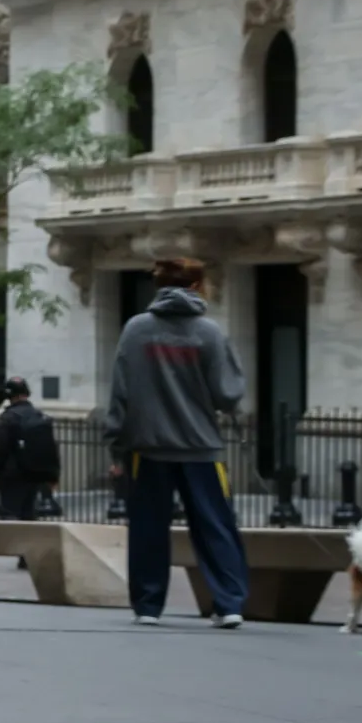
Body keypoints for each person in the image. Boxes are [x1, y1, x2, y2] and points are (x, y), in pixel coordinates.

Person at [105, 257, 250, 628]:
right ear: (199, 286)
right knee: (215, 526)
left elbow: (121, 392)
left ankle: (149, 607)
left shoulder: (136, 330)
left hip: (148, 448)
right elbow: (229, 395)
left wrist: (116, 444)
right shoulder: (210, 332)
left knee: (148, 528)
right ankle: (228, 603)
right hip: (202, 448)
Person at [0, 377, 60, 521]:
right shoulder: (39, 416)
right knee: (28, 516)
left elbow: (0, 449)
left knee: (9, 517)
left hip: (12, 476)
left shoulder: (8, 418)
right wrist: (52, 475)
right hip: (33, 476)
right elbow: (51, 447)